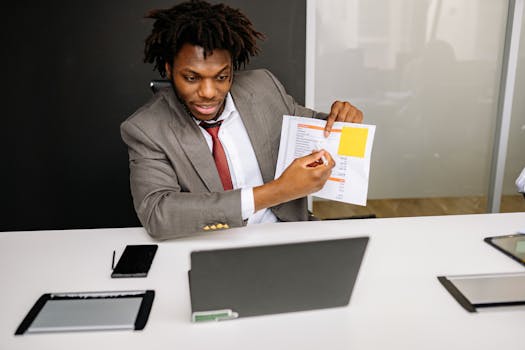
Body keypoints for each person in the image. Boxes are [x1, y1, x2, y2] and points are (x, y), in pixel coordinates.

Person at [120, 0, 363, 240]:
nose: (208, 92)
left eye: (221, 76)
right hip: (213, 246)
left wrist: (345, 122)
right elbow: (158, 213)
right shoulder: (146, 129)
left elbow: (320, 132)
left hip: (291, 235)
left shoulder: (264, 87)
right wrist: (276, 192)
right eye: (192, 78)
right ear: (169, 69)